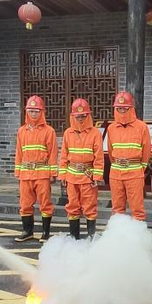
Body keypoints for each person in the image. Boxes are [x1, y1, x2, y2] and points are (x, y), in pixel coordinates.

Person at [14, 95, 58, 243]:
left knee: (45, 203)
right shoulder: (22, 131)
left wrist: (53, 173)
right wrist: (18, 171)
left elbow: (53, 153)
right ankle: (27, 231)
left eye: (36, 111)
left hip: (42, 173)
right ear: (27, 111)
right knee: (25, 204)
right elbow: (19, 152)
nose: (34, 114)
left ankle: (45, 232)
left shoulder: (49, 131)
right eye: (31, 111)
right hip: (26, 173)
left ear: (42, 112)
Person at [59, 98, 104, 239]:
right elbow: (63, 155)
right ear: (73, 116)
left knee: (90, 207)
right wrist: (62, 176)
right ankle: (74, 238)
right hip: (72, 177)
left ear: (88, 115)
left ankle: (91, 238)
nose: (80, 118)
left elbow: (99, 157)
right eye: (77, 116)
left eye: (83, 115)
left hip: (87, 176)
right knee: (72, 206)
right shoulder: (68, 133)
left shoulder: (95, 133)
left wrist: (97, 177)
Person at [106, 91, 151, 221]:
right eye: (119, 108)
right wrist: (117, 164)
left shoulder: (141, 127)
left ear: (131, 108)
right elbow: (110, 151)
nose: (122, 111)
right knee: (117, 208)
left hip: (134, 171)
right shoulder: (111, 128)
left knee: (137, 209)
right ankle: (119, 238)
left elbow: (146, 151)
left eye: (125, 108)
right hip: (116, 172)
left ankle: (137, 239)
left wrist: (138, 168)